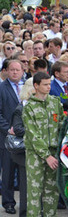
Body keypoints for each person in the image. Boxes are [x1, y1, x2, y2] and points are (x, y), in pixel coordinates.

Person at [22, 72, 64, 216]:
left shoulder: (55, 102)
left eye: (49, 84)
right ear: (36, 86)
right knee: (34, 191)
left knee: (51, 192)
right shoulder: (29, 107)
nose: (48, 87)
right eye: (45, 85)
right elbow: (33, 135)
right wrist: (46, 155)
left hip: (53, 152)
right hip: (36, 154)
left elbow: (62, 125)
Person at [0, 59, 23, 215]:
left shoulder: (28, 87)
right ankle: (8, 202)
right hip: (7, 137)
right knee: (8, 172)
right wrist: (8, 129)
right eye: (12, 69)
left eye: (18, 70)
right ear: (7, 71)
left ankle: (26, 202)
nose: (15, 72)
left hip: (24, 136)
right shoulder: (1, 88)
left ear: (22, 71)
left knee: (23, 173)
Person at [10, 78, 35, 217]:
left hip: (36, 152)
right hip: (24, 153)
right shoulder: (21, 108)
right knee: (25, 187)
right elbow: (18, 129)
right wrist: (36, 132)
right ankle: (25, 213)